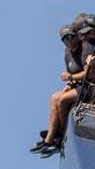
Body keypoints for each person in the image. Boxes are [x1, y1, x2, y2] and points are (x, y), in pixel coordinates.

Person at [31, 24, 91, 158]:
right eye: (64, 39)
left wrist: (71, 77)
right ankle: (49, 139)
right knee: (55, 97)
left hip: (90, 87)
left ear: (76, 36)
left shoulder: (85, 48)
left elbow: (88, 73)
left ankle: (63, 136)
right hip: (77, 86)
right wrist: (70, 83)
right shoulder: (67, 52)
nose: (68, 41)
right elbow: (71, 74)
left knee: (63, 100)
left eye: (70, 37)